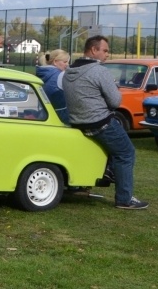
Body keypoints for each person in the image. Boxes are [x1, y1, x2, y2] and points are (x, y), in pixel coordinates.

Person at [63, 35, 148, 210]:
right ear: (94, 50)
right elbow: (115, 102)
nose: (107, 54)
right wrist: (115, 88)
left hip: (77, 122)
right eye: (105, 50)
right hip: (101, 122)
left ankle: (82, 185)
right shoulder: (99, 71)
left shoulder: (70, 71)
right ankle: (125, 199)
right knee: (126, 153)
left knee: (97, 153)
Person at [35, 49, 70, 124]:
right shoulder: (61, 76)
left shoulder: (42, 74)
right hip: (61, 119)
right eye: (65, 62)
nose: (67, 64)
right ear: (55, 62)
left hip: (44, 115)